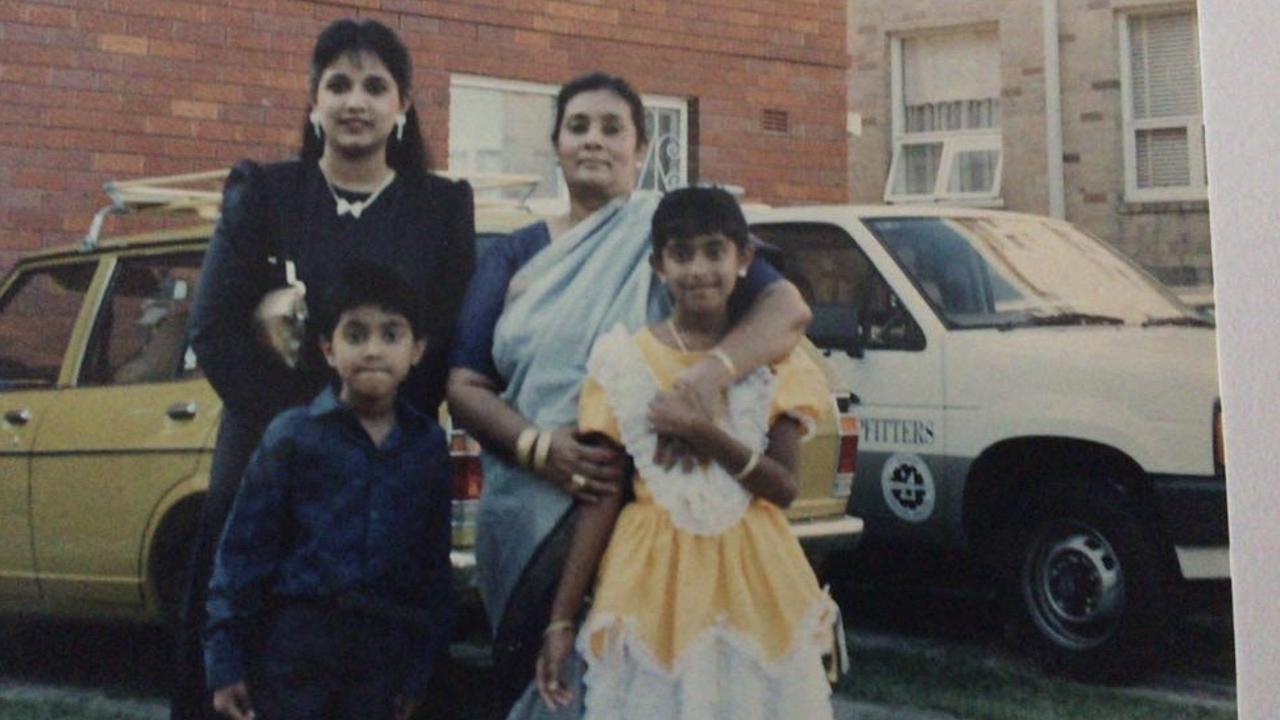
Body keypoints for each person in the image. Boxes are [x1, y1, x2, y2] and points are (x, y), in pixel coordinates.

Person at [446, 72, 813, 713]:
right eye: (578, 126)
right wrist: (539, 447)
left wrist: (707, 376)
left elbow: (786, 307)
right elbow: (465, 383)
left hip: (649, 517)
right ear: (555, 144)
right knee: (539, 689)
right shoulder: (515, 254)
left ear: (641, 150)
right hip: (533, 508)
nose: (594, 141)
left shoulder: (669, 237)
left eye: (613, 128)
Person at [175, 18, 474, 719]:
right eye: (337, 84)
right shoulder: (265, 194)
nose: (355, 101)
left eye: (376, 85)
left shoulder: (440, 207)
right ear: (313, 102)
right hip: (267, 451)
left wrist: (378, 426)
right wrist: (304, 432)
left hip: (388, 460)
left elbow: (449, 340)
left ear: (403, 105)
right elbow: (213, 331)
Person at [534, 186, 836, 719]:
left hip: (755, 577)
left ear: (743, 260)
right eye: (681, 254)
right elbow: (600, 499)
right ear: (657, 265)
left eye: (715, 251)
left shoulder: (773, 360)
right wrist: (561, 618)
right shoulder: (625, 361)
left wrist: (702, 431)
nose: (699, 269)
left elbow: (784, 488)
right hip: (653, 580)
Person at [203, 261, 453, 720]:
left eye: (391, 335)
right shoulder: (292, 436)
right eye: (355, 335)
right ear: (327, 349)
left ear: (417, 350)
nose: (374, 350)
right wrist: (225, 663)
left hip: (382, 658)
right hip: (295, 655)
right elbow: (242, 554)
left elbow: (432, 568)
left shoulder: (427, 445)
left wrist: (418, 672)